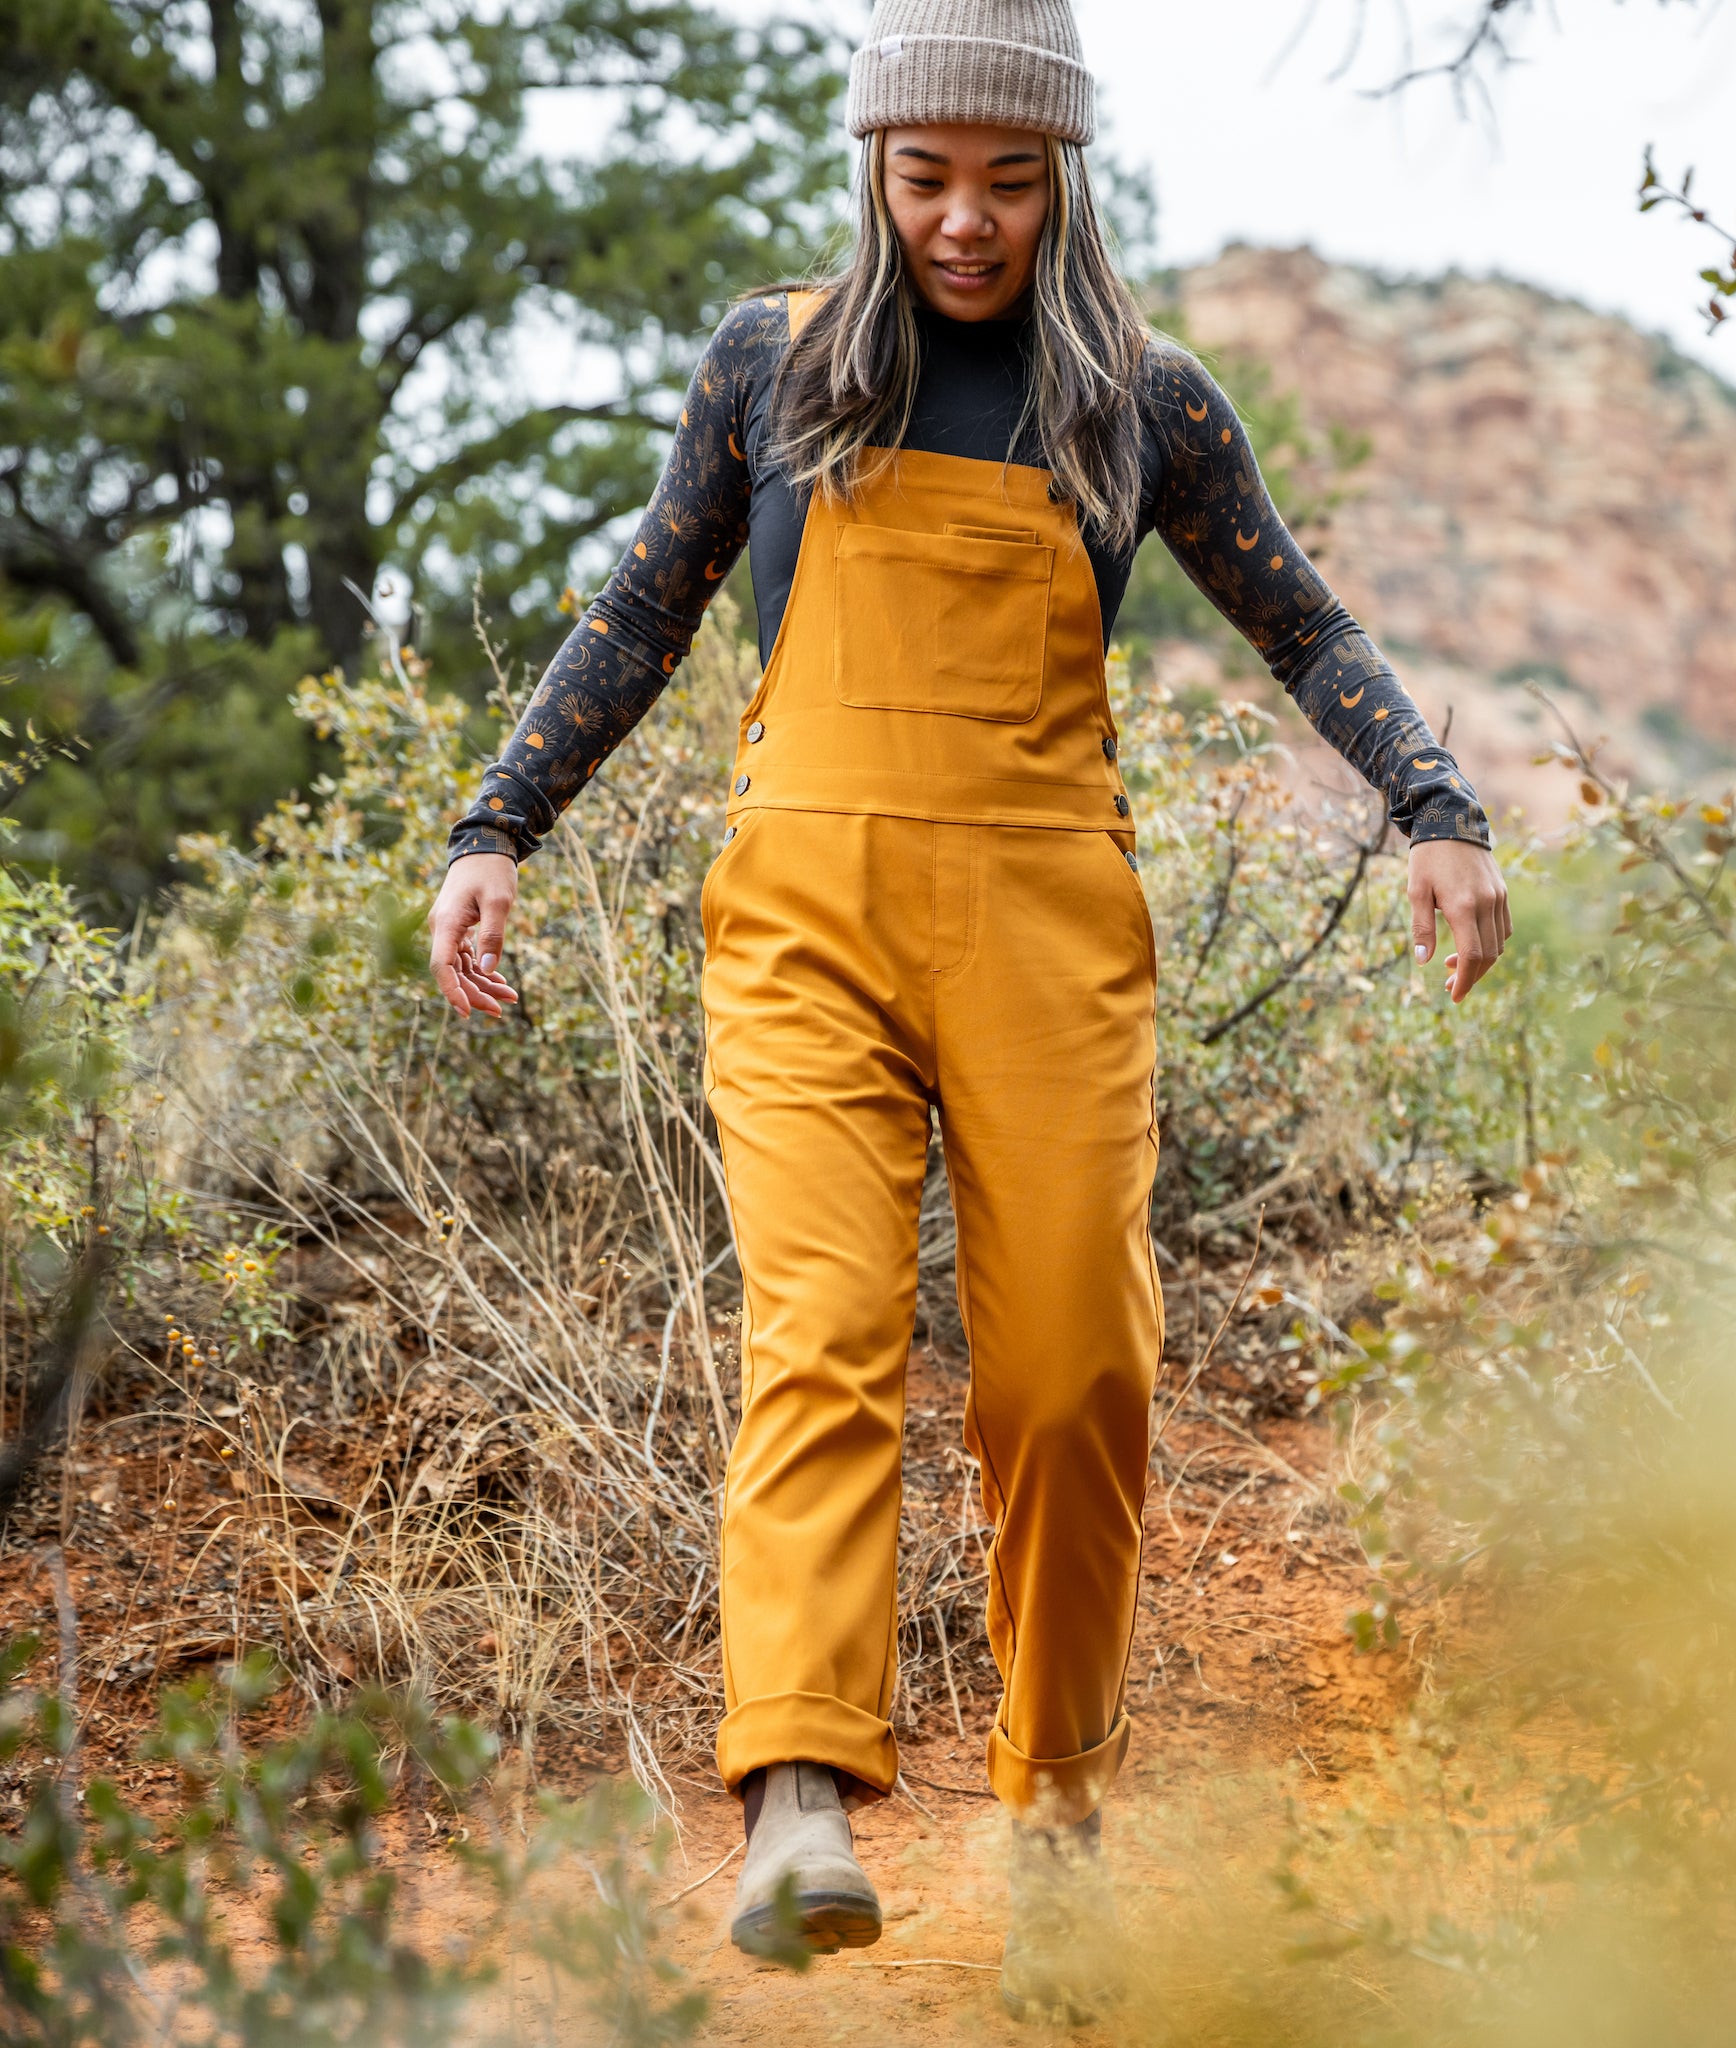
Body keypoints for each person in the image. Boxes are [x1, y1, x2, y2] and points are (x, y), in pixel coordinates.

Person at [429, 0, 1510, 2022]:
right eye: (925, 177)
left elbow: (1295, 611)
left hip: (1043, 916)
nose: (963, 221)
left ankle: (1066, 1811)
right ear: (872, 168)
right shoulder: (775, 361)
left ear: (1063, 177)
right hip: (804, 919)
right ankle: (799, 1791)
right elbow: (644, 604)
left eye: (1007, 181)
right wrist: (495, 824)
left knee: (1072, 1377)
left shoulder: (1144, 400)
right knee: (821, 1329)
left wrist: (1435, 808)